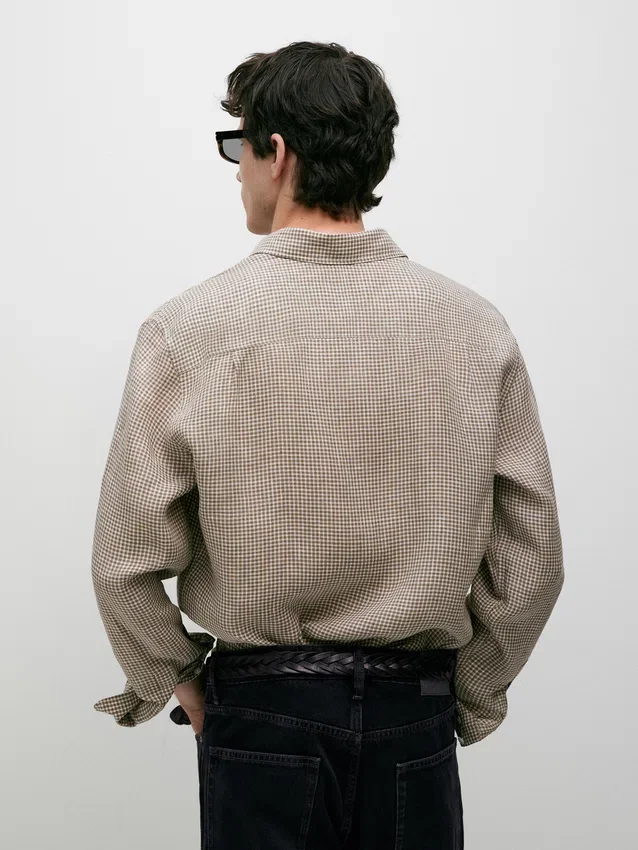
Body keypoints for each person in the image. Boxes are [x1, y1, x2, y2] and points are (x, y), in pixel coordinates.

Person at [91, 40, 564, 850]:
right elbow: (533, 559)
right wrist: (470, 692)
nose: (237, 170)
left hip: (261, 709)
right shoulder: (473, 329)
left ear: (277, 153)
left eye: (240, 146)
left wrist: (175, 674)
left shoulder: (189, 330)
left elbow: (123, 562)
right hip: (415, 709)